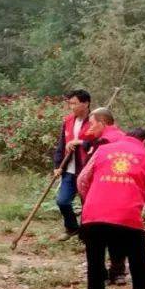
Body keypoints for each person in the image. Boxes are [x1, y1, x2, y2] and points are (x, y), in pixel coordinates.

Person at [76, 127, 145, 289]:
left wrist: (91, 200)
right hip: (127, 217)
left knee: (95, 263)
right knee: (139, 264)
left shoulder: (102, 150)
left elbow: (82, 180)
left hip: (94, 216)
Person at [83, 106, 129, 283]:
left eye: (92, 124)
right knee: (119, 233)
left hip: (102, 195)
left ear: (102, 123)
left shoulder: (103, 144)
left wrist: (87, 197)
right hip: (125, 195)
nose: (89, 129)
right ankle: (118, 272)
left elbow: (86, 175)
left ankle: (100, 274)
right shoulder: (126, 138)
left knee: (97, 237)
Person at [52, 90, 95, 240]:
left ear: (85, 103)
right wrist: (57, 166)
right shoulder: (68, 121)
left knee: (88, 205)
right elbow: (61, 145)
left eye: (74, 103)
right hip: (69, 170)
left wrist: (81, 142)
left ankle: (87, 233)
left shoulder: (95, 122)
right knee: (62, 201)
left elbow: (100, 144)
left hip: (87, 170)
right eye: (70, 103)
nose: (71, 107)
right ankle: (72, 228)